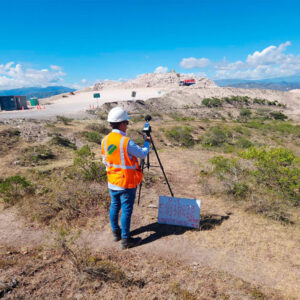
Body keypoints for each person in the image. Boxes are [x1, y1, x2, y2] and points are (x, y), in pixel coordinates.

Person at [101, 107, 150, 249]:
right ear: (122, 124)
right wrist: (147, 142)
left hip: (112, 181)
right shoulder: (125, 141)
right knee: (126, 210)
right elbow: (142, 154)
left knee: (114, 206)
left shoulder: (105, 140)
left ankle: (116, 233)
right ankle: (126, 240)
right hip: (126, 182)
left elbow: (105, 160)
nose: (127, 126)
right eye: (126, 123)